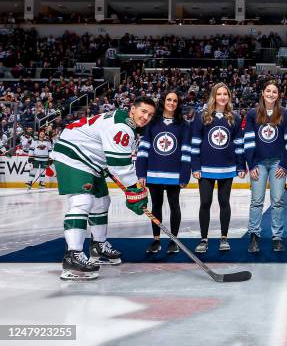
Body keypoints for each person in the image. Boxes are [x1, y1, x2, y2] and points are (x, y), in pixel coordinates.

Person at [51, 97, 155, 280]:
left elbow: (114, 162)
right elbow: (119, 165)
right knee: (82, 201)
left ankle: (98, 247)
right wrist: (135, 191)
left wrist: (132, 190)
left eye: (150, 114)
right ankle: (72, 257)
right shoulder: (122, 127)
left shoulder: (125, 121)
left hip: (91, 159)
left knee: (101, 201)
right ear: (133, 109)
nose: (146, 117)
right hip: (74, 154)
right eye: (143, 111)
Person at [190, 83, 246, 253]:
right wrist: (195, 166)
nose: (222, 97)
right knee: (205, 203)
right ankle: (204, 239)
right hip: (206, 168)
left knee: (224, 202)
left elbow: (238, 144)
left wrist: (240, 165)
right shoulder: (202, 116)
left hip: (227, 168)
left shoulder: (235, 117)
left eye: (225, 94)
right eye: (219, 94)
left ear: (229, 97)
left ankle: (224, 237)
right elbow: (195, 144)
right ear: (214, 96)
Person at [244, 80, 287, 253]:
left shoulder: (285, 114)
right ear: (263, 93)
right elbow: (249, 141)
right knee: (256, 201)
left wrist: (284, 164)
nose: (271, 94)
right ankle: (253, 236)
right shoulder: (252, 114)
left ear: (278, 95)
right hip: (258, 163)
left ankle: (277, 237)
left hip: (277, 164)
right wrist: (251, 164)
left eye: (274, 91)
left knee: (278, 201)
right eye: (268, 91)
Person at [136, 91, 191, 255]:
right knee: (156, 206)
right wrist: (141, 173)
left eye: (175, 100)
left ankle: (174, 240)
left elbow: (186, 151)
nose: (172, 103)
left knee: (174, 205)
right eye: (169, 99)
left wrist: (185, 174)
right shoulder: (152, 123)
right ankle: (156, 239)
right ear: (163, 101)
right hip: (154, 173)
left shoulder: (183, 125)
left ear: (178, 103)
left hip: (174, 174)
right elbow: (143, 150)